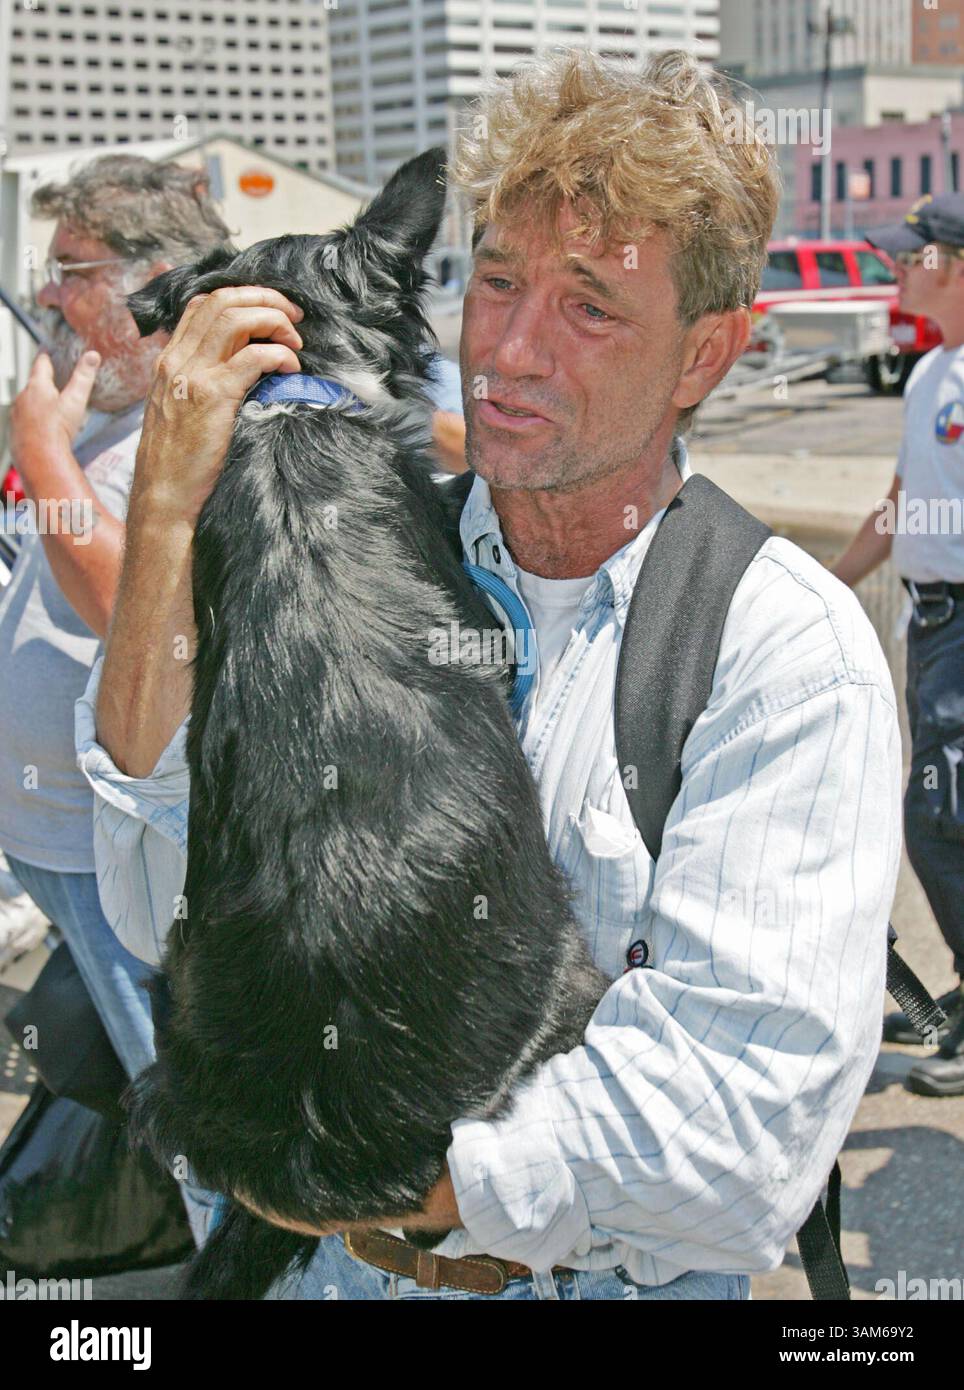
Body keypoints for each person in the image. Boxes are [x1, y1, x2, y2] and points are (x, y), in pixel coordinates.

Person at [77, 50, 903, 1299]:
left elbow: (735, 1139)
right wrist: (162, 516)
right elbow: (150, 906)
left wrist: (333, 1177)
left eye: (590, 306)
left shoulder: (774, 652)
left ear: (704, 354)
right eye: (497, 281)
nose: (509, 350)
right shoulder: (344, 558)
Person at [833, 192, 964, 1097]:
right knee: (941, 819)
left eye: (913, 255)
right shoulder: (929, 373)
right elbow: (902, 501)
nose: (896, 267)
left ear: (955, 264)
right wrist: (824, 584)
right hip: (933, 625)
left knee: (940, 821)